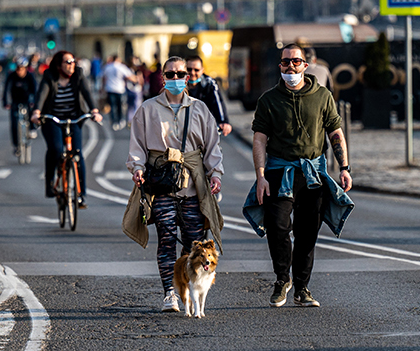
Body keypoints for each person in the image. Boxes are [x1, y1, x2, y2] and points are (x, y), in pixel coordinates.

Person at [242, 44, 354, 308]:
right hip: (279, 172)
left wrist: (345, 168)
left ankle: (302, 287)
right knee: (278, 226)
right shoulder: (268, 100)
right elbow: (259, 140)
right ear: (280, 66)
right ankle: (282, 279)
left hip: (313, 174)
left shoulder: (322, 96)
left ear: (306, 64)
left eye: (295, 61)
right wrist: (260, 176)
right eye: (285, 62)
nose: (290, 67)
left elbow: (335, 133)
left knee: (307, 232)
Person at [123, 56, 226, 311]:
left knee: (195, 241)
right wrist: (137, 169)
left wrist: (216, 174)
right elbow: (137, 145)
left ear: (187, 78)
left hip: (193, 186)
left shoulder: (200, 109)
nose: (176, 78)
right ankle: (169, 292)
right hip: (161, 184)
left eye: (181, 74)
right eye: (171, 74)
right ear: (163, 78)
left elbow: (213, 145)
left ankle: (189, 288)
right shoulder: (147, 109)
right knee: (167, 240)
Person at [31, 50, 101, 207]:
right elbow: (42, 95)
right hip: (52, 119)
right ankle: (50, 183)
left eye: (73, 62)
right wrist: (36, 112)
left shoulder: (78, 74)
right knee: (56, 148)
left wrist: (94, 111)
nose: (72, 65)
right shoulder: (49, 76)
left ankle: (81, 194)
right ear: (58, 65)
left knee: (77, 154)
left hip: (74, 118)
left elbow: (87, 92)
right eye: (68, 62)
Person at [185, 55, 232, 136]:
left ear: (202, 70)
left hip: (204, 127)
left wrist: (223, 122)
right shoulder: (179, 84)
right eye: (189, 69)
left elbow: (217, 102)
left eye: (196, 70)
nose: (192, 73)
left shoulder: (209, 83)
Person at [5, 59, 38, 158]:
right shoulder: (11, 76)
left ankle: (32, 128)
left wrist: (34, 102)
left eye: (22, 69)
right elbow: (6, 90)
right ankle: (16, 145)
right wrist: (6, 102)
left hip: (27, 100)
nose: (19, 71)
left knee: (31, 112)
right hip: (15, 101)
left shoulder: (30, 76)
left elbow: (35, 90)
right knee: (14, 124)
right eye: (18, 69)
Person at [101, 54, 135, 130]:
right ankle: (120, 120)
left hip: (110, 89)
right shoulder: (121, 67)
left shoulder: (107, 67)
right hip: (119, 89)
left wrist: (102, 88)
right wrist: (136, 79)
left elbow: (103, 78)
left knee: (112, 106)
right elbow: (129, 76)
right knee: (120, 106)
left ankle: (114, 122)